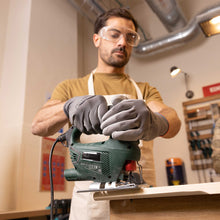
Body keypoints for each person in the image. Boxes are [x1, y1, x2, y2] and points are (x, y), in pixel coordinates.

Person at [32, 8, 181, 220]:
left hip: (142, 202)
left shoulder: (144, 90)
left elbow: (173, 121)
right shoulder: (72, 87)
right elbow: (37, 125)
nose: (122, 42)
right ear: (96, 39)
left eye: (130, 37)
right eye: (114, 34)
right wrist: (68, 107)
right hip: (91, 206)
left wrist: (156, 122)